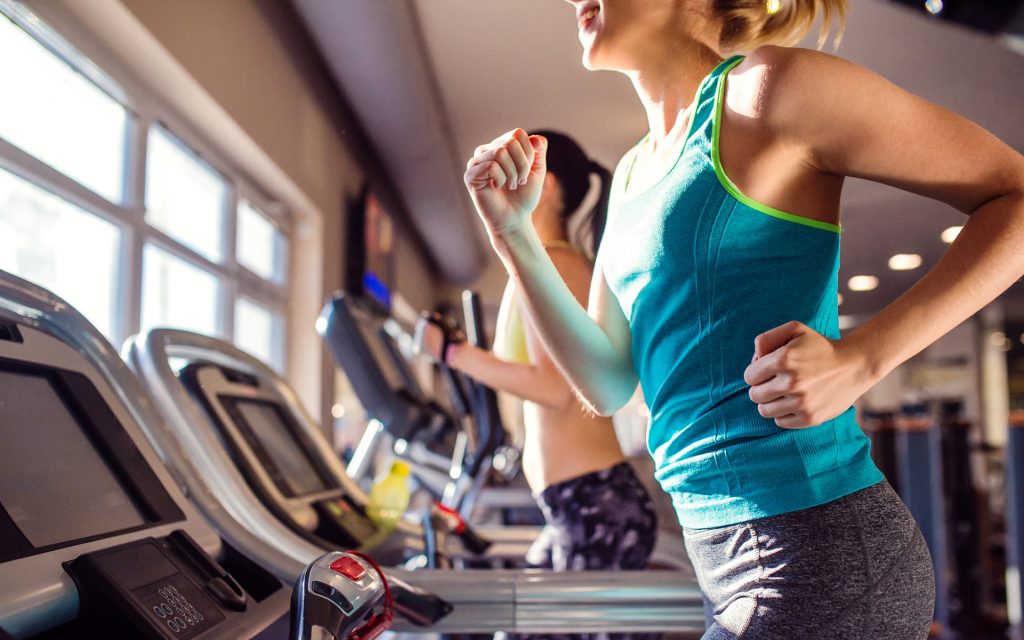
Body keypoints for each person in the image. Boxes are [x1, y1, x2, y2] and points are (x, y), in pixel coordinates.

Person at [460, 1, 1024, 638]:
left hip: (819, 549)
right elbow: (607, 382)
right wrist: (514, 237)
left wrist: (863, 358)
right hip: (721, 560)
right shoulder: (631, 178)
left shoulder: (769, 90)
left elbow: (1015, 196)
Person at [416, 130, 658, 579]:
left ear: (543, 185)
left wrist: (452, 352)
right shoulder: (549, 262)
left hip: (593, 502)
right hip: (578, 502)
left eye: (512, 168)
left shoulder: (557, 264)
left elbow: (554, 389)